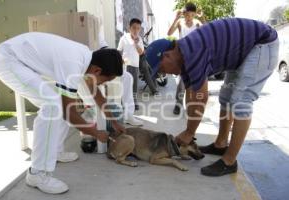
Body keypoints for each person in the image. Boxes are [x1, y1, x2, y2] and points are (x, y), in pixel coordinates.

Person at [0, 32, 125, 194]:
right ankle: (37, 173)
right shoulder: (72, 63)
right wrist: (96, 133)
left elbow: (95, 93)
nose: (103, 84)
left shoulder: (86, 59)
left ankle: (55, 150)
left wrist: (115, 122)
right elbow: (70, 114)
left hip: (24, 62)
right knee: (53, 105)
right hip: (9, 60)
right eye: (106, 81)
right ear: (97, 71)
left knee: (60, 103)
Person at [145, 18, 279, 176]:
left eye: (161, 69)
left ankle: (229, 161)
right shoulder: (184, 57)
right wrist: (189, 130)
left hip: (262, 45)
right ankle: (220, 145)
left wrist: (189, 133)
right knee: (226, 98)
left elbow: (201, 98)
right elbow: (192, 94)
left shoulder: (192, 52)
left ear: (167, 55)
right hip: (244, 53)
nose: (164, 73)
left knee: (241, 101)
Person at [167, 2, 202, 115]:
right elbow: (169, 33)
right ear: (184, 13)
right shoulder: (180, 22)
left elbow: (207, 30)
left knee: (193, 82)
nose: (189, 18)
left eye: (192, 15)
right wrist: (176, 18)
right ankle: (178, 104)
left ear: (195, 15)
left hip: (194, 55)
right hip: (182, 55)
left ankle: (191, 105)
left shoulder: (197, 23)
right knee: (181, 82)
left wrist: (203, 18)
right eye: (187, 15)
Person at [117, 18, 144, 110]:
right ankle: (123, 102)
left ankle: (134, 102)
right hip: (125, 66)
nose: (136, 30)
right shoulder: (124, 38)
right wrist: (121, 60)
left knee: (134, 85)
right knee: (125, 85)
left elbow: (141, 53)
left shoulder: (139, 39)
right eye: (134, 28)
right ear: (129, 28)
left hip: (135, 66)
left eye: (138, 28)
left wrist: (136, 44)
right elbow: (119, 50)